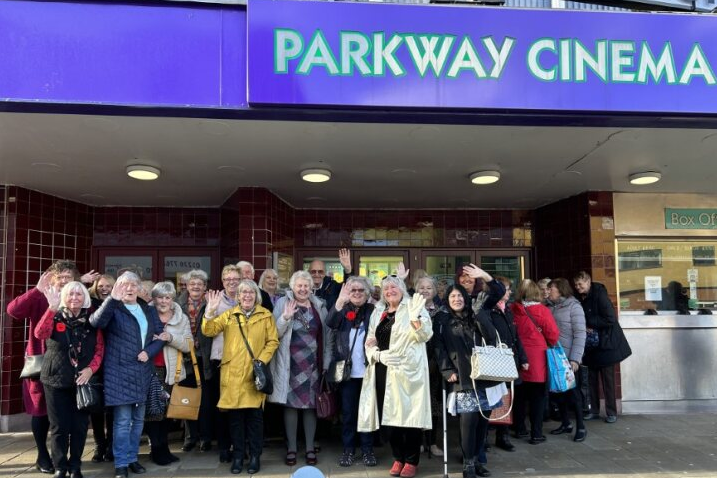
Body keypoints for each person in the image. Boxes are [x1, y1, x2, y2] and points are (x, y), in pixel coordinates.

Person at [7, 260, 99, 474]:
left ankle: (70, 462)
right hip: (42, 365)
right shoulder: (41, 297)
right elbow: (14, 310)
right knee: (40, 413)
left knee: (73, 421)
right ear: (52, 279)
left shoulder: (78, 301)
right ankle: (42, 455)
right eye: (61, 278)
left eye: (69, 278)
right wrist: (37, 290)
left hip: (74, 371)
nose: (65, 281)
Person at [90, 272, 169, 478]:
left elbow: (160, 337)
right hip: (119, 372)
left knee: (138, 421)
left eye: (134, 284)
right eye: (125, 284)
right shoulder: (113, 308)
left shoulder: (148, 309)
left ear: (139, 288)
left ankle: (133, 458)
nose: (130, 288)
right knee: (123, 421)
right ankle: (121, 463)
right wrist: (111, 299)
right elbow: (96, 323)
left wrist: (149, 352)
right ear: (118, 287)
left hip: (142, 371)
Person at [202, 279, 279, 474]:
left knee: (255, 420)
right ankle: (237, 456)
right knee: (235, 421)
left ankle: (254, 456)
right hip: (233, 375)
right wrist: (210, 311)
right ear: (238, 296)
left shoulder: (266, 315)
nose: (247, 296)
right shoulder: (229, 314)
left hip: (254, 376)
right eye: (243, 293)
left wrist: (260, 361)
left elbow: (272, 341)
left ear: (256, 296)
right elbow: (208, 330)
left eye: (250, 293)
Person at [358, 276, 432, 478]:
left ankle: (411, 460)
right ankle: (397, 457)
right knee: (389, 419)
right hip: (383, 370)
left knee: (409, 419)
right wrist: (378, 355)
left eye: (394, 287)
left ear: (402, 289)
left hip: (409, 372)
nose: (390, 290)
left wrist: (416, 318)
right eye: (386, 288)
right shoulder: (378, 312)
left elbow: (425, 336)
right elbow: (369, 342)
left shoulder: (413, 307)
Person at [35, 281, 104, 478]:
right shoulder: (55, 316)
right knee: (59, 427)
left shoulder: (92, 322)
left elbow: (99, 349)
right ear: (64, 297)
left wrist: (91, 370)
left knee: (80, 427)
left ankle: (75, 466)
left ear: (85, 298)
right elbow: (40, 333)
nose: (75, 297)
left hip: (82, 382)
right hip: (55, 380)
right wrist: (51, 308)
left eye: (79, 294)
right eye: (70, 294)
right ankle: (60, 467)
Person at [433, 281, 499, 478]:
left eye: (460, 296)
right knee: (468, 421)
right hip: (462, 376)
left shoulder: (476, 314)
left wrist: (479, 314)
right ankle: (468, 462)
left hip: (485, 375)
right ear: (447, 300)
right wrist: (446, 370)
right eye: (452, 296)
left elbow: (491, 337)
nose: (457, 299)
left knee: (483, 421)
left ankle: (478, 459)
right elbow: (438, 347)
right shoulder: (442, 320)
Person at [269, 270, 333, 467]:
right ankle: (292, 449)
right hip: (290, 363)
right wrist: (285, 318)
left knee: (310, 406)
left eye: (306, 286)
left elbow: (328, 336)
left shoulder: (319, 305)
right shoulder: (282, 303)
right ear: (293, 287)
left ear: (311, 287)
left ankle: (310, 448)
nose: (303, 289)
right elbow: (274, 333)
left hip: (314, 364)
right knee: (291, 406)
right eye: (299, 286)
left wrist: (327, 362)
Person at [326, 276, 377, 467]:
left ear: (367, 293)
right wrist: (340, 300)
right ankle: (348, 450)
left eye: (360, 290)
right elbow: (330, 322)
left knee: (367, 413)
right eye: (353, 290)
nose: (356, 293)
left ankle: (367, 450)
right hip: (347, 374)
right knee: (348, 414)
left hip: (368, 372)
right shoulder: (343, 309)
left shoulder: (373, 310)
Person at [573, 271, 632, 424]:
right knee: (591, 379)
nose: (578, 287)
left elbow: (611, 319)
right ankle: (594, 410)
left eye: (580, 284)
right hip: (592, 344)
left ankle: (611, 412)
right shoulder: (580, 297)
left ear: (588, 282)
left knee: (608, 380)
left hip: (606, 344)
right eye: (576, 284)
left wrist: (590, 323)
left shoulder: (599, 295)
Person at [145, 282, 192, 465]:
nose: (163, 301)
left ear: (172, 299)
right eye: (160, 297)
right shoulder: (146, 314)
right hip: (150, 370)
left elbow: (188, 345)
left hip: (171, 371)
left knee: (168, 413)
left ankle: (164, 448)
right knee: (153, 413)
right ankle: (156, 450)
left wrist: (170, 338)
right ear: (154, 298)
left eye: (168, 297)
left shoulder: (181, 318)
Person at [510, 279, 560, 445]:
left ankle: (519, 429)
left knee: (518, 397)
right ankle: (536, 433)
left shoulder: (512, 309)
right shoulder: (542, 310)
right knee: (537, 398)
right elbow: (553, 335)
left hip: (517, 358)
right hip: (537, 359)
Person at [482, 275, 528, 453]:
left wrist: (523, 359)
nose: (509, 292)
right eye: (506, 289)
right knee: (491, 399)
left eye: (509, 289)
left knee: (506, 400)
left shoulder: (507, 310)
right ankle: (484, 437)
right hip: (495, 362)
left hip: (510, 361)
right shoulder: (489, 310)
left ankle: (503, 435)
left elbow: (515, 338)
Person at [206, 265, 244, 462]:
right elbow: (207, 329)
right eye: (228, 279)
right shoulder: (215, 301)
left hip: (243, 362)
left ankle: (240, 445)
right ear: (222, 281)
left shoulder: (247, 299)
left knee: (242, 407)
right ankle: (223, 447)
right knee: (223, 407)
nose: (232, 282)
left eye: (235, 279)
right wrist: (210, 311)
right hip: (221, 361)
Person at [546, 278, 587, 442]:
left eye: (552, 289)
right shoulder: (548, 306)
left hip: (568, 358)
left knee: (573, 394)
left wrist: (575, 359)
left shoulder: (573, 306)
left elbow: (580, 333)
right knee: (558, 393)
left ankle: (581, 427)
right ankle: (565, 423)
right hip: (554, 357)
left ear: (561, 290)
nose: (549, 292)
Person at [176, 269, 211, 453]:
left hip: (204, 357)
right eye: (192, 284)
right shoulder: (177, 303)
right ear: (187, 286)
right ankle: (190, 437)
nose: (196, 287)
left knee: (204, 401)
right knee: (186, 399)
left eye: (200, 284)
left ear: (205, 287)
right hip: (185, 358)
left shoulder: (210, 303)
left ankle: (205, 438)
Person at [86, 273, 116, 462]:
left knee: (113, 405)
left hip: (113, 360)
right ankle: (99, 444)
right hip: (95, 361)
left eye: (108, 286)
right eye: (101, 286)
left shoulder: (118, 305)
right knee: (96, 407)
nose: (104, 289)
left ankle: (112, 445)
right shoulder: (89, 305)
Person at [415, 276, 444, 457]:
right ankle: (417, 442)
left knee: (434, 405)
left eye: (428, 287)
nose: (425, 291)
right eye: (421, 288)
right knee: (417, 404)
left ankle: (432, 442)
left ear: (434, 291)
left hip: (435, 364)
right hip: (415, 364)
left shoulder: (441, 311)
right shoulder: (410, 309)